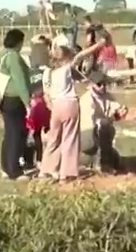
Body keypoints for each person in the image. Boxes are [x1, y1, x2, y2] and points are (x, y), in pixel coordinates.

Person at [41, 37, 107, 181]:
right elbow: (82, 55)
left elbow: (46, 93)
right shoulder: (67, 69)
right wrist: (99, 45)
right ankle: (67, 173)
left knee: (54, 139)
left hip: (55, 106)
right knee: (69, 138)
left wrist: (51, 106)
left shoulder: (47, 72)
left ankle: (46, 170)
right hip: (69, 104)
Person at [0, 28, 34, 179]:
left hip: (5, 100)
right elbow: (20, 81)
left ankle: (6, 166)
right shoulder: (14, 57)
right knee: (18, 134)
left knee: (9, 133)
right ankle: (14, 170)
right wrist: (28, 103)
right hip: (15, 99)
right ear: (18, 41)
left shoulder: (2, 55)